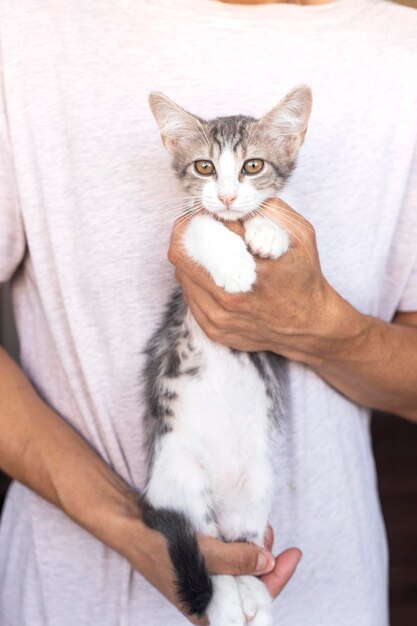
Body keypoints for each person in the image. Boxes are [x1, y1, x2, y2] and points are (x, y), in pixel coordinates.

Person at [0, 0, 416, 624]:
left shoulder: (402, 49)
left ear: (290, 141)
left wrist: (321, 329)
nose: (226, 191)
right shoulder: (27, 27)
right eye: (205, 169)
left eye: (248, 169)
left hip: (333, 594)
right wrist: (134, 528)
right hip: (75, 599)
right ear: (175, 146)